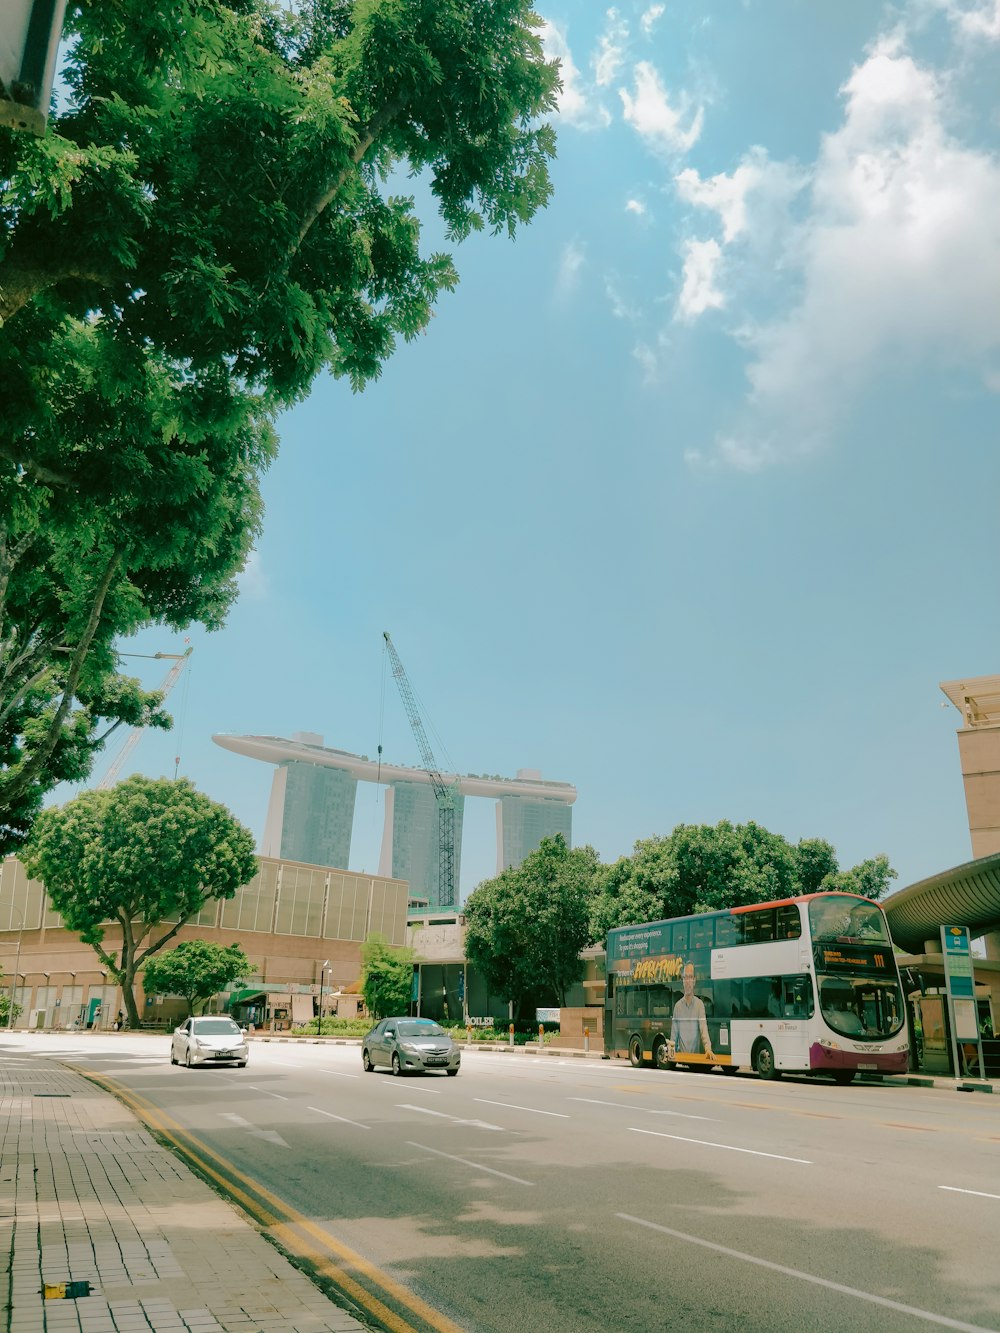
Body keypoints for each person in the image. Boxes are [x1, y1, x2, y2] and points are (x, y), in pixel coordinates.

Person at [668, 962, 714, 1061]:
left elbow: (703, 1030)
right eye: (685, 977)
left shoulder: (699, 1005)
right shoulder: (677, 1007)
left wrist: (708, 1049)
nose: (688, 981)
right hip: (681, 1059)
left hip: (695, 1059)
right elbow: (673, 1037)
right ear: (683, 980)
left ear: (694, 980)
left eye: (690, 977)